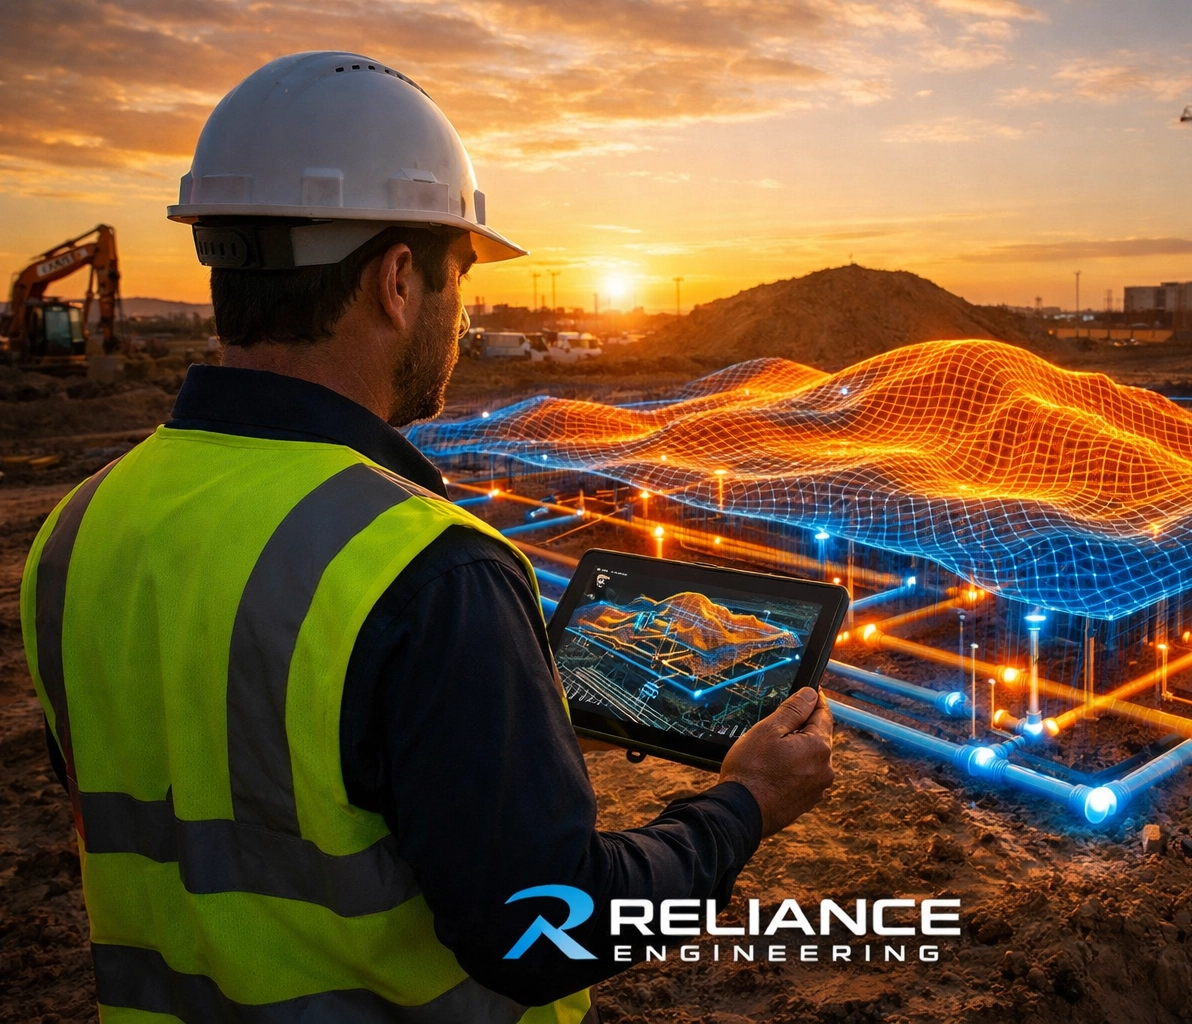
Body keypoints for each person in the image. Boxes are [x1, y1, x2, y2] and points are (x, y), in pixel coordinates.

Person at [22, 51, 834, 1022]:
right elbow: (548, 927)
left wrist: (485, 726)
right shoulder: (428, 570)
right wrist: (743, 804)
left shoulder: (78, 528)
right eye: (462, 274)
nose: (462, 313)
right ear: (399, 280)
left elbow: (232, 774)